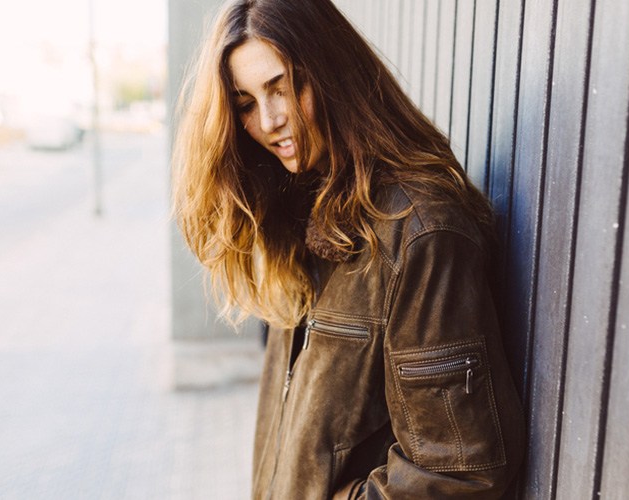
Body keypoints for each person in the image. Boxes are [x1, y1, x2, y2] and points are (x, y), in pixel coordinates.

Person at [172, 0, 525, 498]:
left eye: (286, 87)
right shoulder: (302, 210)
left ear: (334, 72)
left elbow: (459, 468)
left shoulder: (418, 231)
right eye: (247, 103)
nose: (269, 121)